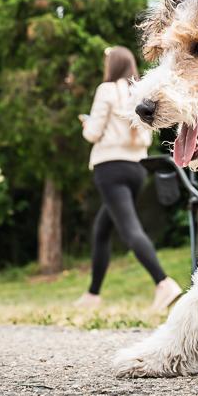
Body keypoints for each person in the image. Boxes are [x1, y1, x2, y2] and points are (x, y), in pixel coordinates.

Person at [74, 46, 183, 312]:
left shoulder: (106, 90)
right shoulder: (139, 92)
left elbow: (93, 133)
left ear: (113, 65)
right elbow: (145, 136)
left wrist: (87, 124)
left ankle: (163, 283)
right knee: (102, 230)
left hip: (110, 168)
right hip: (137, 169)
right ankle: (92, 295)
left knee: (130, 230)